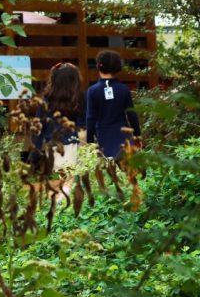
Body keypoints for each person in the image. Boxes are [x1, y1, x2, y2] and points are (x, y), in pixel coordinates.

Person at [32, 62, 87, 198]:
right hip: (74, 146)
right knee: (69, 184)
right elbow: (85, 124)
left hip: (53, 149)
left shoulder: (46, 100)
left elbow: (37, 129)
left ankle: (55, 208)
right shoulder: (81, 98)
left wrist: (35, 153)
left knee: (57, 185)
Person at [86, 50, 141, 160]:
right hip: (124, 136)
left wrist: (90, 141)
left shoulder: (92, 91)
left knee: (108, 167)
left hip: (103, 136)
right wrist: (137, 135)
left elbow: (90, 118)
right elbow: (132, 114)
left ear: (99, 66)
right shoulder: (123, 89)